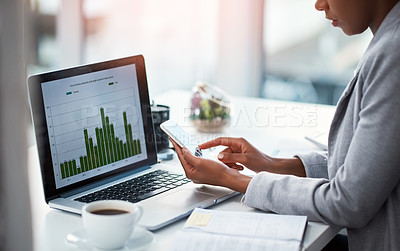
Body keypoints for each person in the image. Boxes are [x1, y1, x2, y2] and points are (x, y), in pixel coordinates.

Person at [170, 0, 400, 250]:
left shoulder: (393, 54)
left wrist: (232, 178)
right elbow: (368, 168)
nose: (319, 5)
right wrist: (272, 164)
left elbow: (347, 202)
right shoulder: (387, 40)